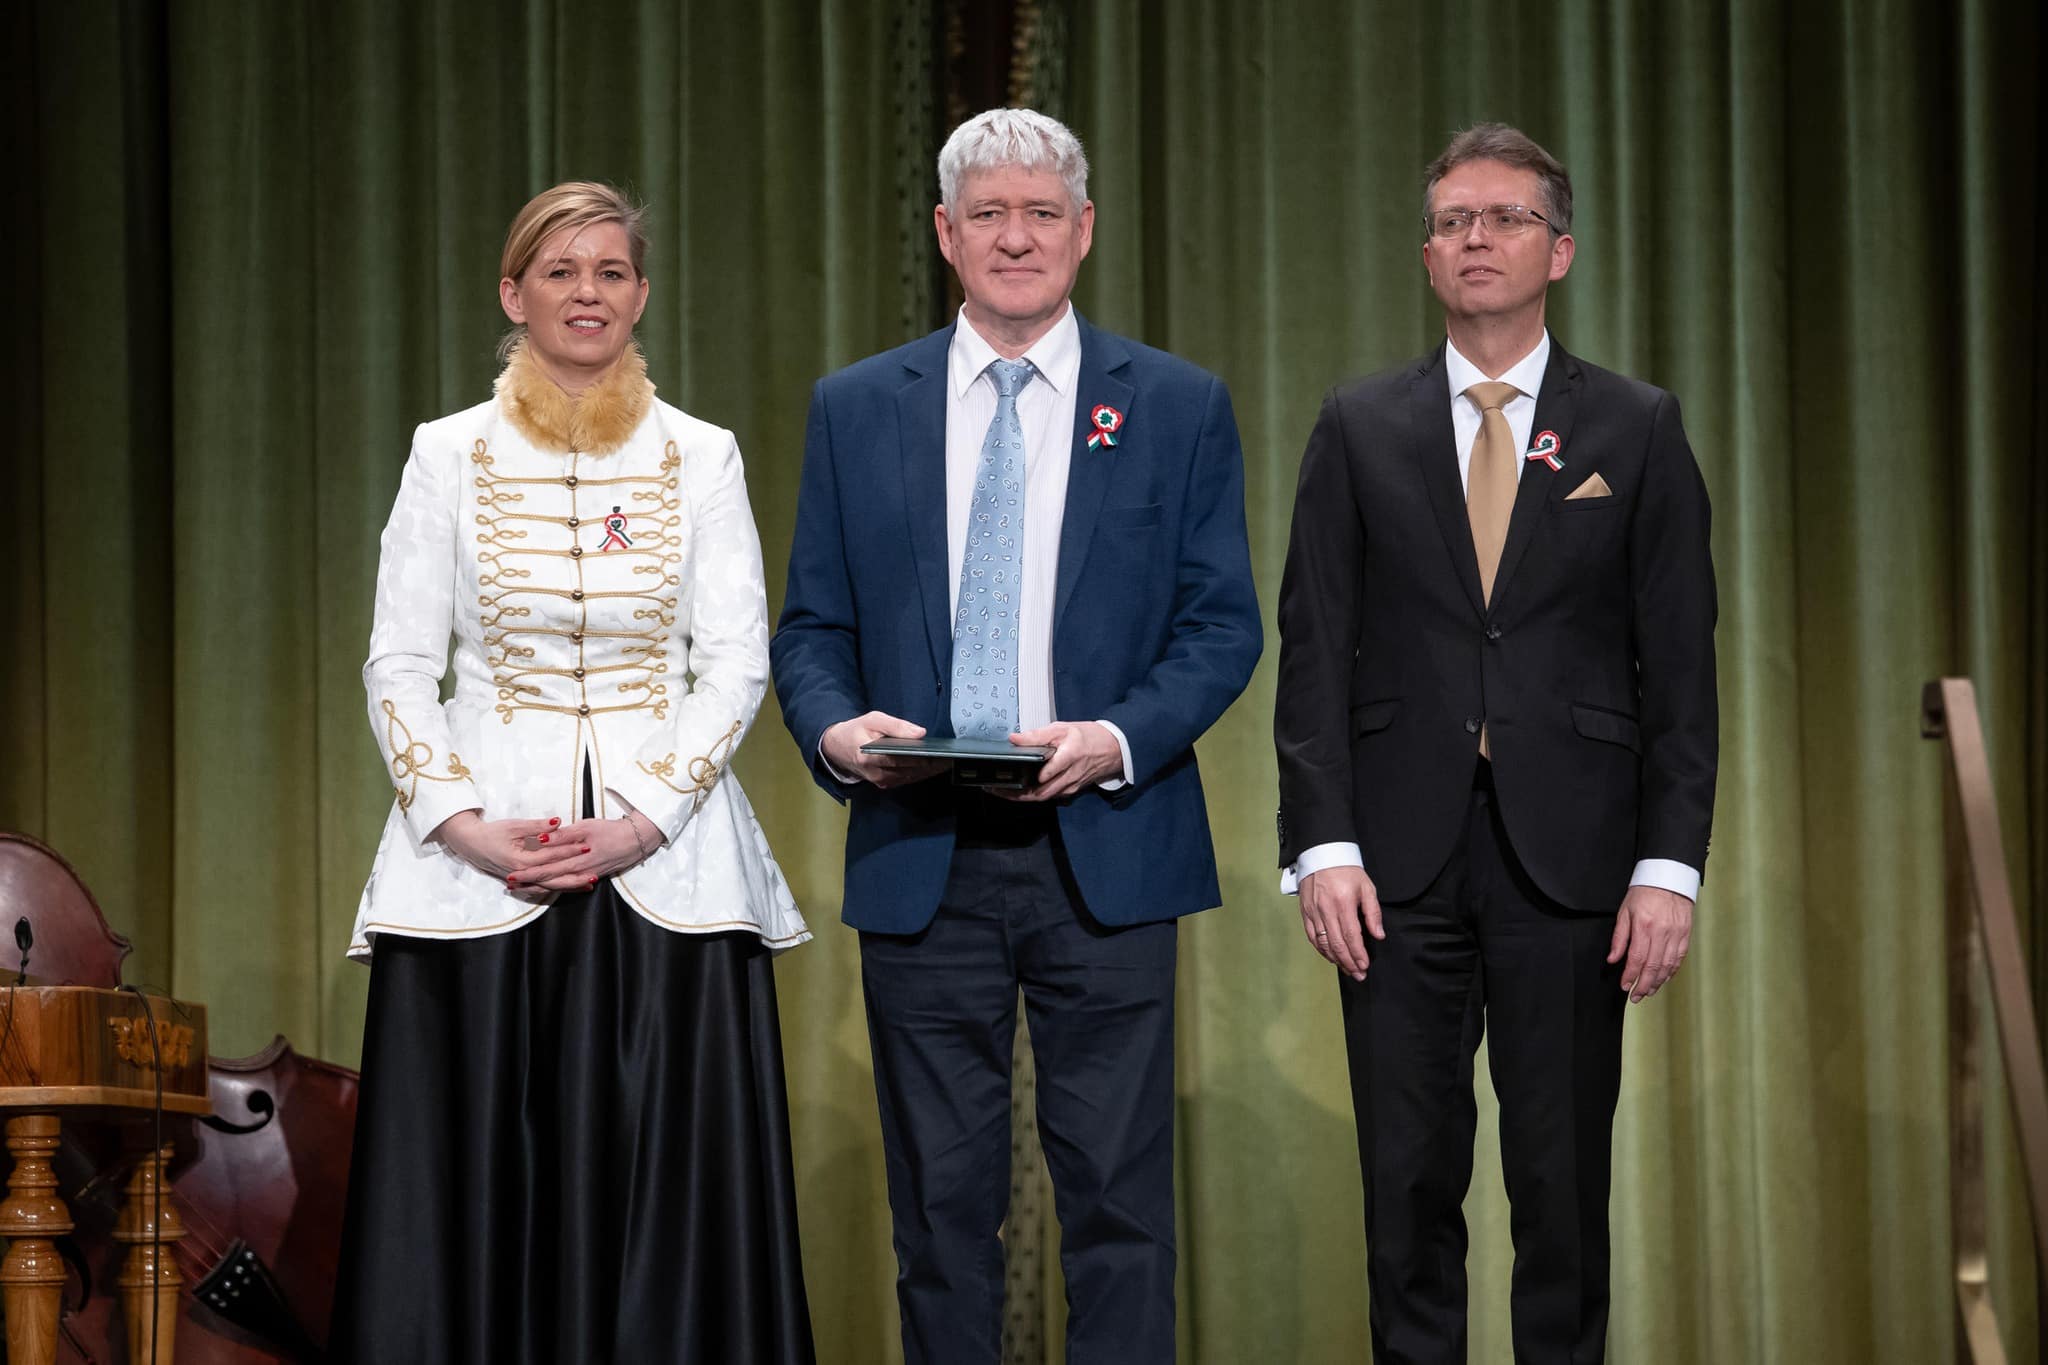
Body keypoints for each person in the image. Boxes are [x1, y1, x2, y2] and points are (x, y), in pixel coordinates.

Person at [771, 108, 1261, 1365]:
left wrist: (1114, 736)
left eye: (1041, 212)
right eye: (987, 213)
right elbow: (811, 630)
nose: (1015, 237)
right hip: (919, 847)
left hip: (1106, 846)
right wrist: (837, 736)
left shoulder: (1175, 405)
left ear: (1083, 230)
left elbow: (1220, 627)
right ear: (945, 233)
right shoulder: (854, 408)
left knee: (1118, 1213)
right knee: (939, 1219)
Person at [332, 181, 815, 1365]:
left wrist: (643, 820)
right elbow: (398, 662)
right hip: (482, 864)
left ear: (640, 295)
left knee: (664, 1179)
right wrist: (460, 824)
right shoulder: (445, 453)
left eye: (608, 271)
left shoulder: (702, 454)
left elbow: (735, 660)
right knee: (478, 1181)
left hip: (667, 866)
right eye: (559, 271)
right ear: (514, 294)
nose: (585, 292)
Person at [1274, 123, 1717, 1363]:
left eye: (1506, 217)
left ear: (1557, 250)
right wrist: (1319, 846)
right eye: (1452, 221)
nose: (1477, 238)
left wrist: (1667, 868)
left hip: (1573, 860)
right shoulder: (1358, 424)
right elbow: (1313, 647)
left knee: (1560, 1192)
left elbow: (1680, 669)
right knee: (1405, 1189)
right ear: (1426, 256)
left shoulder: (1632, 426)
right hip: (1391, 864)